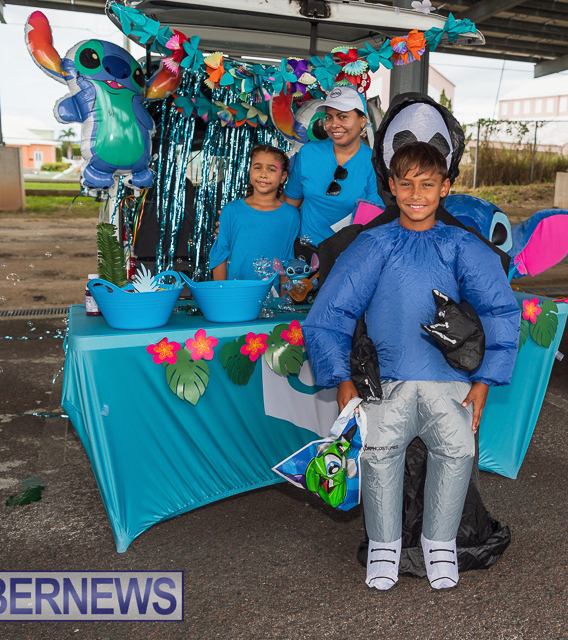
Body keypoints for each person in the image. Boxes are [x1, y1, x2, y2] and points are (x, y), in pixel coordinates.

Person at [302, 142, 521, 591]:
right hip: (388, 383)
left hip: (451, 384)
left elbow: (500, 310)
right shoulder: (374, 244)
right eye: (406, 183)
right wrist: (341, 380)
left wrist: (483, 382)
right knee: (379, 455)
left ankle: (439, 543)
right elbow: (331, 313)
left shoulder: (461, 244)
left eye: (427, 184)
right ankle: (384, 545)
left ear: (445, 187)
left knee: (457, 452)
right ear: (391, 187)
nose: (416, 193)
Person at [282, 86, 382, 245]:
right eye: (329, 117)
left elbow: (373, 220)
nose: (333, 124)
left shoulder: (374, 163)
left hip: (348, 255)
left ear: (362, 120)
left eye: (342, 117)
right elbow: (289, 206)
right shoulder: (308, 153)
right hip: (306, 254)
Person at [210, 145, 300, 280]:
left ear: (283, 176)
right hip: (235, 294)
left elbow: (287, 261)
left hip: (273, 297)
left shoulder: (291, 215)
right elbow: (220, 255)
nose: (263, 174)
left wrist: (283, 300)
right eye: (257, 167)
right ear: (250, 170)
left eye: (271, 169)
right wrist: (223, 294)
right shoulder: (232, 210)